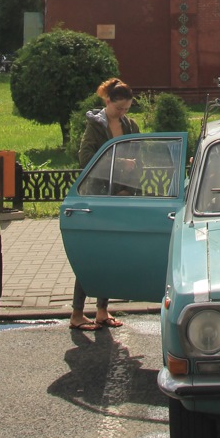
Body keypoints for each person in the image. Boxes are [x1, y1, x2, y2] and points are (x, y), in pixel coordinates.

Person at [69, 77, 137, 330]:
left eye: (126, 109)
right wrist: (119, 163)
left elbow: (138, 155)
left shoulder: (130, 125)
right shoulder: (96, 126)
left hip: (120, 197)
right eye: (119, 108)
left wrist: (126, 189)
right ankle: (77, 314)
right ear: (107, 101)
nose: (122, 113)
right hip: (96, 197)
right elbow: (85, 157)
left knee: (109, 255)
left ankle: (101, 311)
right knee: (91, 256)